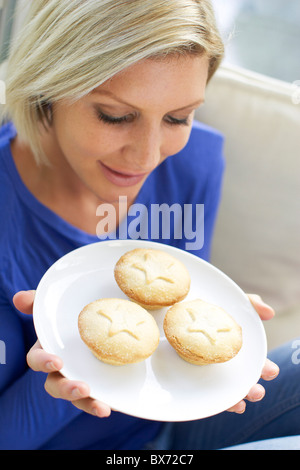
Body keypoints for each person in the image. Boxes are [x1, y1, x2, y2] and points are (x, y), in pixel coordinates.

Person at [1, 0, 298, 451]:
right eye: (116, 116)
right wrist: (75, 369)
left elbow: (171, 316)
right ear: (48, 88)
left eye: (177, 118)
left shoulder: (194, 162)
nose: (147, 157)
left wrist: (212, 335)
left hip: (173, 431)